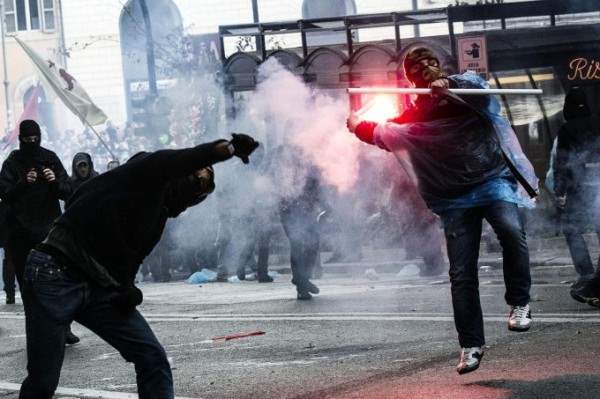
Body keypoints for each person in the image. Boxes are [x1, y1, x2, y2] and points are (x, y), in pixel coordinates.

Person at [18, 134, 259, 398]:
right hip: (55, 273)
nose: (194, 195)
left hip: (97, 283)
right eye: (197, 183)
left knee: (151, 356)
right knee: (43, 380)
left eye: (201, 192)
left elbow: (129, 257)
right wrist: (227, 149)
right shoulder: (147, 171)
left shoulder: (157, 216)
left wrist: (125, 287)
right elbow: (181, 159)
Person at [347, 46, 538, 374]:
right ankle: (470, 344)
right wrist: (356, 125)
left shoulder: (465, 89)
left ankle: (519, 303)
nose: (425, 68)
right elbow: (388, 134)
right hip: (454, 196)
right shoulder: (416, 114)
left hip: (491, 180)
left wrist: (449, 82)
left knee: (510, 230)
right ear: (410, 80)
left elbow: (480, 89)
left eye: (430, 62)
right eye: (417, 67)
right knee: (462, 272)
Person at [0, 120, 71, 300]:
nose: (31, 143)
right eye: (27, 139)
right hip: (20, 231)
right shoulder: (13, 162)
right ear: (21, 139)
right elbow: (5, 193)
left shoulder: (50, 158)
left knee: (51, 281)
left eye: (35, 139)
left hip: (48, 230)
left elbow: (68, 190)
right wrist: (23, 183)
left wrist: (54, 182)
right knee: (27, 285)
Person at [553, 88, 600, 289]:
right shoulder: (597, 123)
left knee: (571, 228)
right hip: (598, 185)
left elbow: (562, 162)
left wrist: (559, 190)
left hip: (578, 188)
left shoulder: (566, 129)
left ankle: (586, 272)